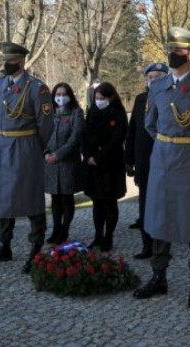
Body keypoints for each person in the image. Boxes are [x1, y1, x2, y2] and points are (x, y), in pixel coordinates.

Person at [133, 27, 190, 310]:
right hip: (163, 161)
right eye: (169, 50)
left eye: (178, 50)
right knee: (160, 219)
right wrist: (169, 144)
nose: (172, 55)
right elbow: (149, 124)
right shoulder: (158, 86)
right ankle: (158, 276)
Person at [0, 42, 53, 274]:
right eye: (4, 60)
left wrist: (37, 148)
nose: (5, 65)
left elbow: (46, 126)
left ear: (21, 62)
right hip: (1, 146)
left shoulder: (36, 88)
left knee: (31, 197)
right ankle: (4, 245)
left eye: (10, 61)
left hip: (25, 146)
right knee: (3, 197)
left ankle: (36, 247)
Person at [125, 62, 168, 259]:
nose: (154, 80)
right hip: (144, 160)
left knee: (163, 205)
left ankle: (163, 246)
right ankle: (146, 245)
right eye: (150, 77)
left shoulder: (171, 97)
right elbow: (133, 129)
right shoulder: (141, 99)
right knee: (144, 204)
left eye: (158, 76)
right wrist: (129, 159)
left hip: (165, 159)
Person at [82, 82, 128, 252]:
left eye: (102, 98)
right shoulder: (92, 112)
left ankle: (108, 236)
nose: (99, 101)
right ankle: (97, 236)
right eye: (97, 98)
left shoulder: (118, 114)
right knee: (97, 202)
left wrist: (99, 157)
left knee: (109, 202)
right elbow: (85, 135)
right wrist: (88, 156)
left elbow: (116, 140)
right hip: (92, 164)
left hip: (110, 164)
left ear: (111, 97)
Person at [44, 82, 85, 244]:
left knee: (66, 198)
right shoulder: (49, 113)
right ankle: (56, 229)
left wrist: (59, 155)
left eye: (63, 94)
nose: (60, 98)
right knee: (55, 198)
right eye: (57, 95)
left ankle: (65, 230)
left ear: (70, 95)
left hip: (68, 162)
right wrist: (46, 153)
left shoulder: (76, 113)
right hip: (50, 163)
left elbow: (75, 138)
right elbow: (42, 134)